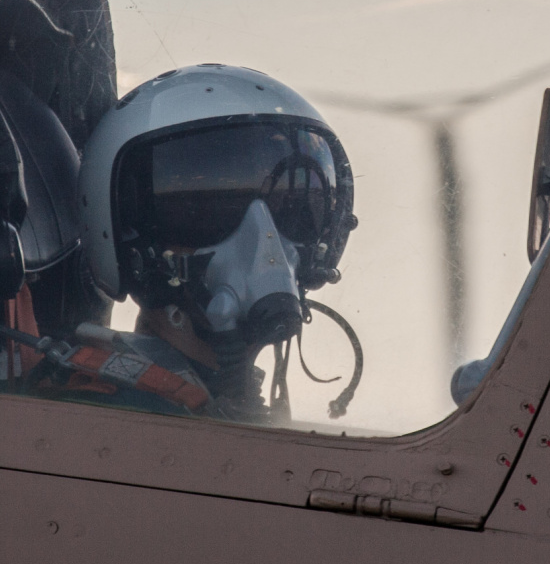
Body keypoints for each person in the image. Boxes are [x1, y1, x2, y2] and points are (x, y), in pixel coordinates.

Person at [70, 64, 357, 422]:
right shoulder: (111, 418)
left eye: (293, 209)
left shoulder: (208, 415)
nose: (265, 242)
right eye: (206, 212)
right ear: (127, 241)